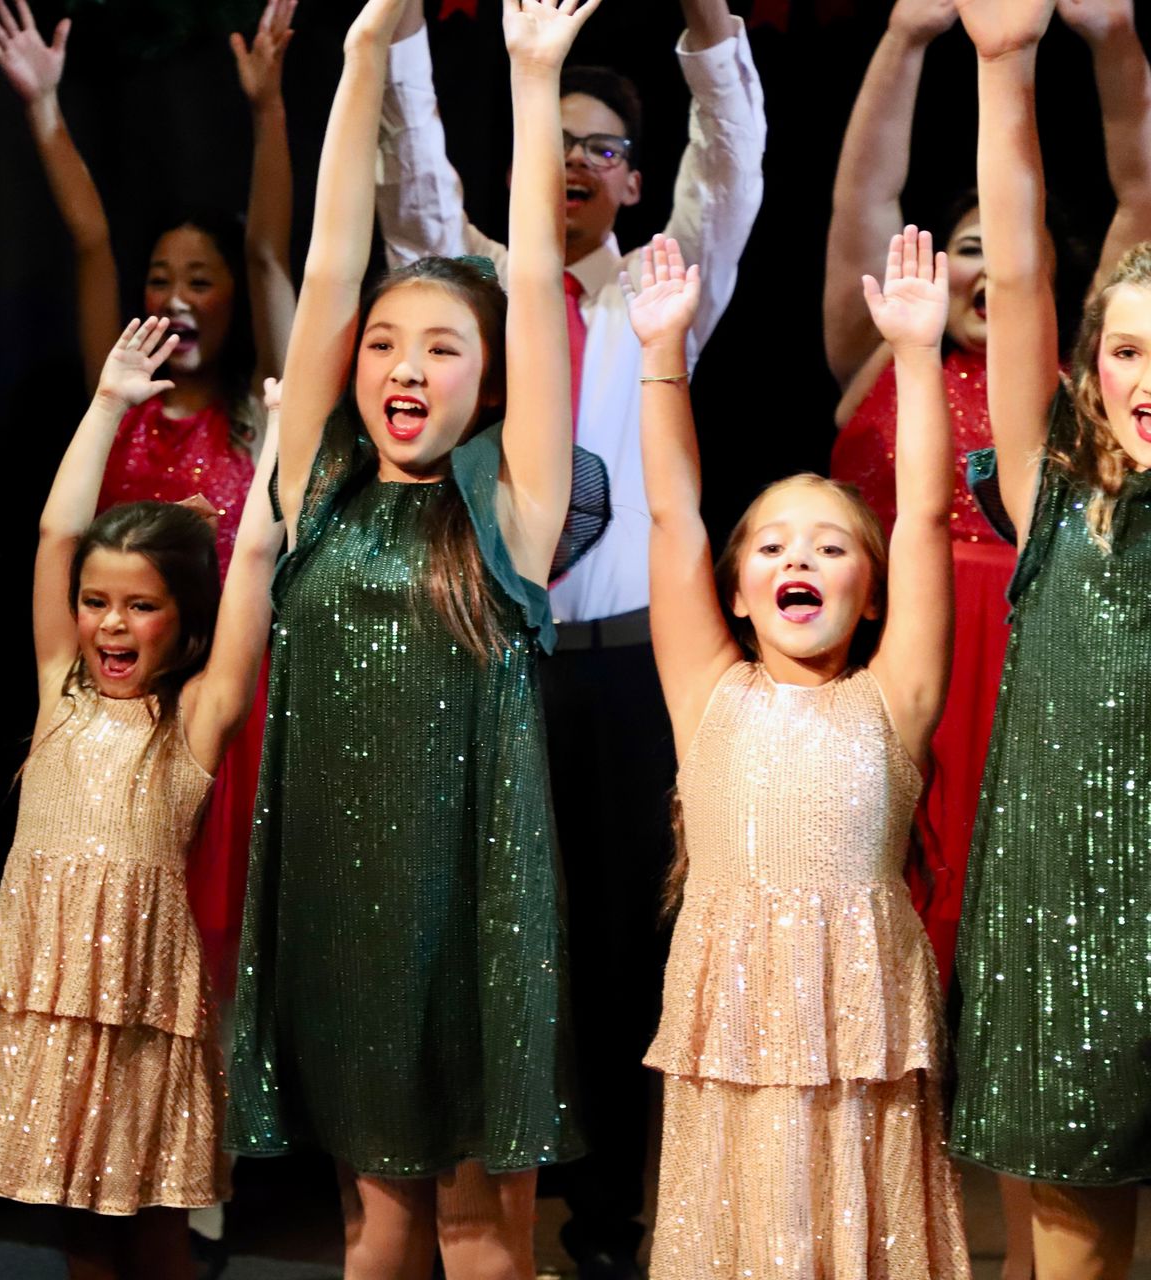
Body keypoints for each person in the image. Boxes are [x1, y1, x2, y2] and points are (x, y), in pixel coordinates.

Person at [372, 2, 765, 1270]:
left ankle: (606, 1225)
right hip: (493, 666)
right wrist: (400, 32)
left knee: (622, 943)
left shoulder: (664, 294)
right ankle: (483, 1212)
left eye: (605, 149)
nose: (580, 165)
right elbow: (414, 183)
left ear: (636, 182)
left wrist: (711, 25)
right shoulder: (479, 291)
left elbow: (733, 167)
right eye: (560, 144)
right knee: (491, 937)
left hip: (632, 677)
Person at [226, 0, 598, 1273]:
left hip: (477, 908)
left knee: (477, 1224)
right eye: (385, 343)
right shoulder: (316, 488)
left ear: (487, 382)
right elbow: (333, 263)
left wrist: (533, 79)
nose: (403, 363)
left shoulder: (512, 510)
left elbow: (534, 285)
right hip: (344, 900)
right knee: (372, 1221)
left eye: (442, 348)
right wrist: (360, 55)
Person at [627, 231, 970, 1277]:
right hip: (730, 1027)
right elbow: (672, 512)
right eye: (773, 545)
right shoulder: (709, 692)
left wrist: (918, 354)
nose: (800, 558)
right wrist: (661, 353)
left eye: (830, 545)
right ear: (737, 591)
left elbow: (924, 516)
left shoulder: (892, 700)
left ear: (869, 593)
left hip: (861, 1032)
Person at [0, 318, 281, 1280]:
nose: (111, 625)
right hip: (51, 994)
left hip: (144, 1005)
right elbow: (58, 533)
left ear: (181, 618)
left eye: (140, 605)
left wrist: (278, 448)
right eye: (96, 602)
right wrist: (106, 405)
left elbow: (254, 566)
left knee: (155, 1223)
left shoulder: (197, 716)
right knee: (80, 1226)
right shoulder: (60, 691)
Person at [0, 0, 298, 998]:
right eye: (161, 279)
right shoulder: (121, 403)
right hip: (118, 705)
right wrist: (43, 108)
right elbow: (88, 244)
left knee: (218, 941)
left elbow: (270, 253)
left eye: (200, 279)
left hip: (220, 707)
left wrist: (268, 109)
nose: (177, 297)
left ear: (231, 300)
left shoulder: (255, 412)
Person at [951, 0, 1151, 1272]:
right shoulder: (1052, 505)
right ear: (1093, 367)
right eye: (1128, 350)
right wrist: (1002, 63)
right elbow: (1020, 269)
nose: (1150, 379)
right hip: (1071, 930)